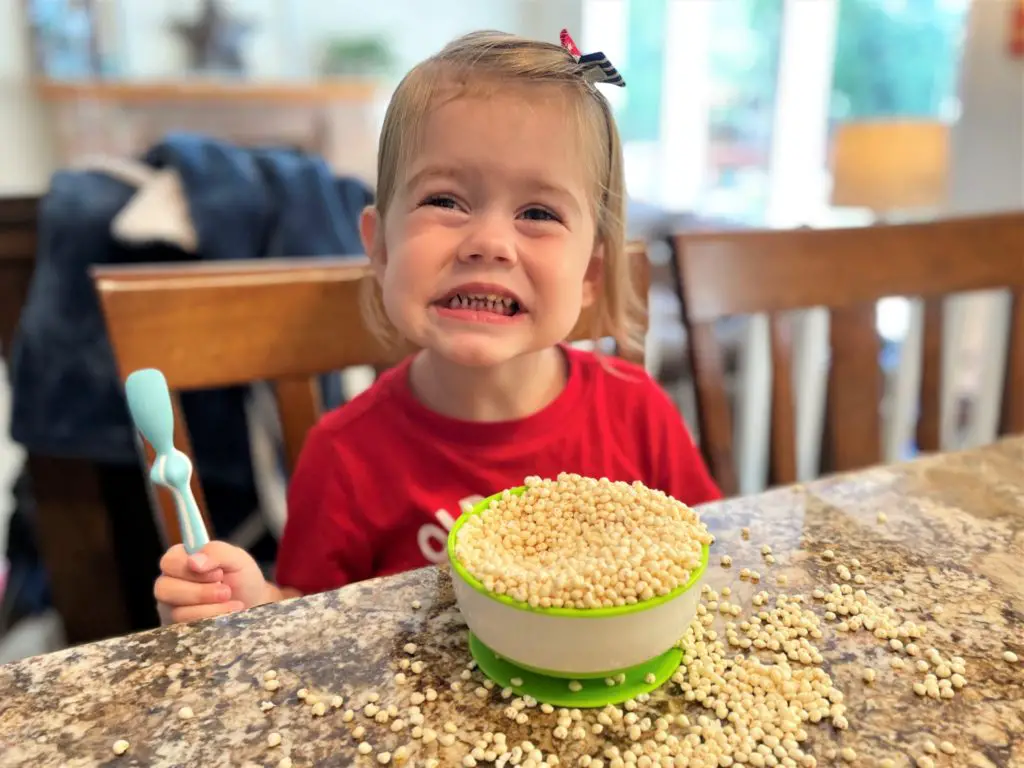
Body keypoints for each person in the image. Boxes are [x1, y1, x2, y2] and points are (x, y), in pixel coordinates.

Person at [154, 29, 721, 625]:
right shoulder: (344, 454)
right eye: (445, 202)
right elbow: (311, 623)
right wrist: (249, 608)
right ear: (380, 249)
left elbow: (710, 554)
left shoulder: (637, 412)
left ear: (590, 274)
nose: (488, 243)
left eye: (538, 213)